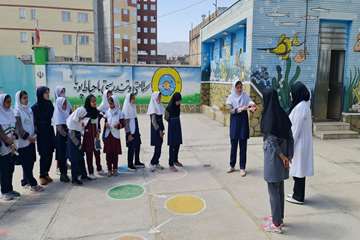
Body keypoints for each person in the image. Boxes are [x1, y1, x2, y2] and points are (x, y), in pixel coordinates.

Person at [260, 89, 294, 234]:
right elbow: (290, 137)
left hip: (274, 160)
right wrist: (289, 156)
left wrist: (283, 156)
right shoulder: (282, 115)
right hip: (283, 160)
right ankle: (279, 217)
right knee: (279, 188)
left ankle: (276, 224)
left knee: (273, 190)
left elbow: (272, 141)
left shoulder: (269, 117)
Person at [286, 82, 314, 205]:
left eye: (292, 93)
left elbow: (295, 129)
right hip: (302, 143)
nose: (291, 95)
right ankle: (296, 193)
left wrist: (289, 145)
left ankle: (298, 196)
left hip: (299, 144)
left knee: (299, 170)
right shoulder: (304, 105)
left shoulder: (300, 108)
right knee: (299, 170)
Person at [14, 91, 43, 192]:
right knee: (26, 163)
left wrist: (34, 134)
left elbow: (33, 124)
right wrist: (28, 137)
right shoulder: (17, 111)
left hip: (31, 140)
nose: (26, 100)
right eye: (24, 98)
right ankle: (33, 184)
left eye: (27, 98)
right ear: (19, 99)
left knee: (31, 161)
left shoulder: (29, 109)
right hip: (23, 143)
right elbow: (19, 128)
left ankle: (25, 181)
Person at [226, 80, 256, 176]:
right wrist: (237, 109)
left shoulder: (245, 95)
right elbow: (228, 109)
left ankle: (242, 167)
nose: (239, 89)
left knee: (243, 145)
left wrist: (252, 105)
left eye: (240, 87)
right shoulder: (231, 97)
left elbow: (250, 102)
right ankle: (232, 165)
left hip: (243, 121)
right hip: (235, 121)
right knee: (233, 144)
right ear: (234, 87)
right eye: (237, 87)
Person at [32, 86, 55, 186]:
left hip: (49, 130)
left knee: (50, 153)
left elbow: (51, 115)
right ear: (40, 94)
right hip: (41, 133)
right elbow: (34, 122)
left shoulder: (49, 104)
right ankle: (41, 175)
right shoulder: (35, 107)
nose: (47, 94)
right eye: (46, 93)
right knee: (44, 154)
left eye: (48, 92)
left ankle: (46, 173)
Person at [0, 94, 19, 201]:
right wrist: (8, 141)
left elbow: (14, 126)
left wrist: (14, 139)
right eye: (6, 102)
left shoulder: (10, 112)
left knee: (11, 168)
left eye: (10, 101)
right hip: (3, 146)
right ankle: (4, 191)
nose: (9, 103)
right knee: (4, 169)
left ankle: (10, 189)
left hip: (12, 143)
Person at [83, 95, 104, 179]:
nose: (95, 103)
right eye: (92, 101)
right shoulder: (85, 113)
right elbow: (83, 125)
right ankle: (91, 172)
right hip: (88, 137)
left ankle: (99, 168)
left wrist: (99, 130)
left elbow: (98, 123)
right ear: (88, 102)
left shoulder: (97, 112)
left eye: (95, 101)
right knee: (89, 155)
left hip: (96, 136)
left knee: (97, 153)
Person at [66, 107, 89, 185]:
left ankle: (84, 175)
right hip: (73, 143)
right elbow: (72, 136)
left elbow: (80, 130)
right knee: (74, 160)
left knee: (81, 158)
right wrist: (78, 145)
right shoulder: (72, 121)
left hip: (78, 141)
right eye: (82, 116)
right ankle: (74, 179)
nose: (82, 118)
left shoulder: (78, 120)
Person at [103, 96, 124, 177]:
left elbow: (123, 124)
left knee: (115, 153)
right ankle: (109, 169)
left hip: (115, 135)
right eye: (109, 104)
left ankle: (115, 169)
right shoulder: (107, 112)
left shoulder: (119, 112)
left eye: (112, 103)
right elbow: (105, 122)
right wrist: (106, 125)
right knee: (108, 153)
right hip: (108, 135)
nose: (110, 105)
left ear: (115, 102)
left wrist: (118, 125)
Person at [123, 93, 144, 171]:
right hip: (130, 132)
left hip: (136, 129)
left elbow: (135, 119)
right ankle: (130, 164)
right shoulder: (126, 108)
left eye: (134, 98)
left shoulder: (133, 106)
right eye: (132, 98)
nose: (134, 100)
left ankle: (137, 161)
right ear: (129, 99)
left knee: (138, 145)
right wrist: (128, 134)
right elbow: (126, 123)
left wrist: (137, 131)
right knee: (131, 148)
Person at [54, 86, 72, 174]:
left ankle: (64, 165)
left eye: (64, 91)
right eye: (61, 92)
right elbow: (58, 125)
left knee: (65, 150)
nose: (63, 93)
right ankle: (60, 168)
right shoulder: (57, 105)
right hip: (61, 131)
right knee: (60, 151)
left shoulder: (66, 102)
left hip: (67, 129)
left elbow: (70, 112)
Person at [165, 92, 183, 172]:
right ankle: (171, 164)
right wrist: (171, 121)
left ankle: (175, 160)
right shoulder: (169, 107)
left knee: (178, 143)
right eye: (178, 101)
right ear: (174, 100)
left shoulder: (178, 106)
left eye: (180, 101)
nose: (179, 102)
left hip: (177, 125)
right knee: (172, 145)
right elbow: (166, 117)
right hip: (172, 126)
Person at [147, 92, 165, 172]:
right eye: (158, 97)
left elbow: (161, 119)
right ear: (154, 98)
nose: (160, 99)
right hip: (156, 130)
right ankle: (152, 163)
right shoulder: (153, 108)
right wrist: (159, 131)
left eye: (160, 97)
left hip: (160, 129)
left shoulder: (159, 106)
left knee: (159, 147)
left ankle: (156, 162)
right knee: (157, 147)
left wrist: (163, 129)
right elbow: (154, 122)